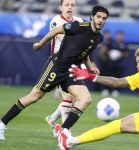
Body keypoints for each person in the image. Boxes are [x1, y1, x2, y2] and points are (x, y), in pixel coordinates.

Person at [0, 6, 109, 141]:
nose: (101, 21)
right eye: (98, 17)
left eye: (104, 19)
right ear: (92, 17)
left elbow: (85, 53)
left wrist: (91, 66)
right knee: (34, 97)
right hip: (57, 67)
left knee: (85, 99)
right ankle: (1, 124)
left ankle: (63, 131)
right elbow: (56, 30)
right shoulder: (78, 26)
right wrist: (40, 44)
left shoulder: (99, 37)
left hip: (71, 71)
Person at [59, 46, 139, 149]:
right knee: (116, 125)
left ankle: (69, 142)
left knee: (114, 126)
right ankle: (70, 142)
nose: (138, 66)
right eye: (137, 62)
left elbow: (118, 83)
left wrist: (90, 76)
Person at [45, 0, 83, 130]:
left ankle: (53, 119)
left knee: (73, 100)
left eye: (72, 5)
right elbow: (61, 37)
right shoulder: (56, 20)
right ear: (61, 7)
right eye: (67, 4)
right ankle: (65, 132)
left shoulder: (79, 20)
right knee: (68, 98)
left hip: (72, 64)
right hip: (58, 63)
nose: (70, 7)